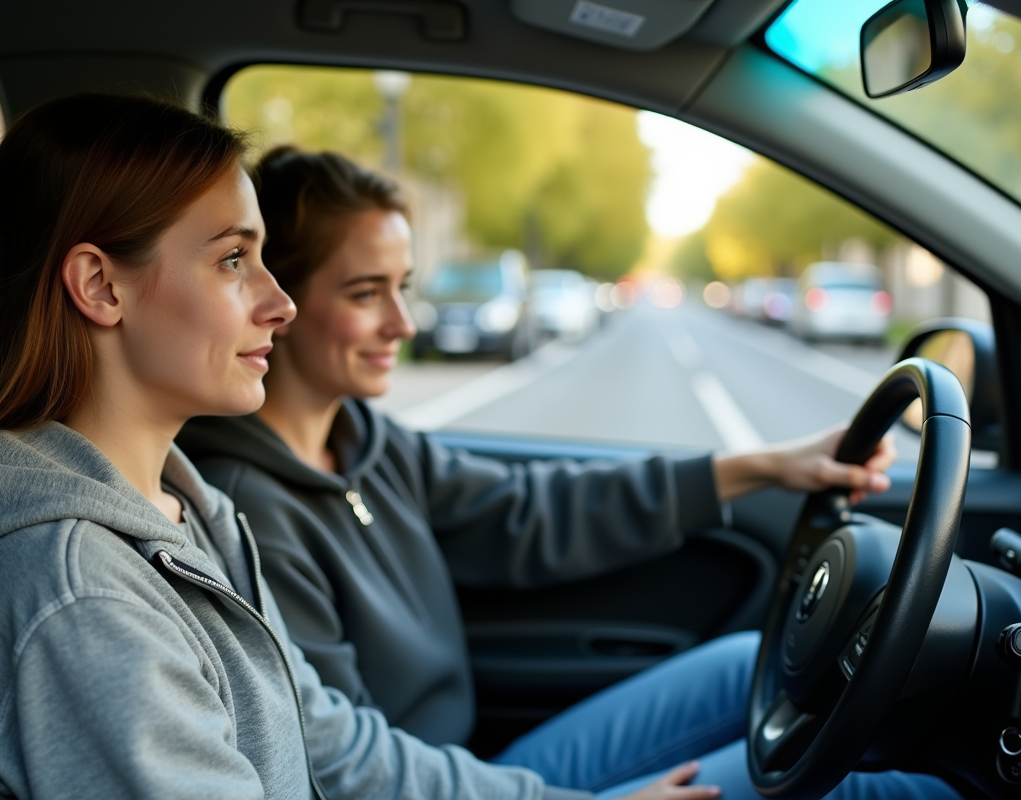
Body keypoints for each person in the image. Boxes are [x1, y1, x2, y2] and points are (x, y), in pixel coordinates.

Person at [0, 94, 716, 800]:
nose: (279, 302)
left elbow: (329, 744)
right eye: (235, 259)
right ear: (102, 287)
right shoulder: (77, 600)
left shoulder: (183, 509)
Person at [175, 146, 960, 799]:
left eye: (403, 288)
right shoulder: (249, 510)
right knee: (865, 787)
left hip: (477, 769)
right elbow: (337, 765)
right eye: (364, 293)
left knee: (740, 665)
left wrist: (764, 467)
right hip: (455, 787)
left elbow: (532, 506)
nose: (404, 325)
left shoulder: (366, 441)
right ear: (278, 300)